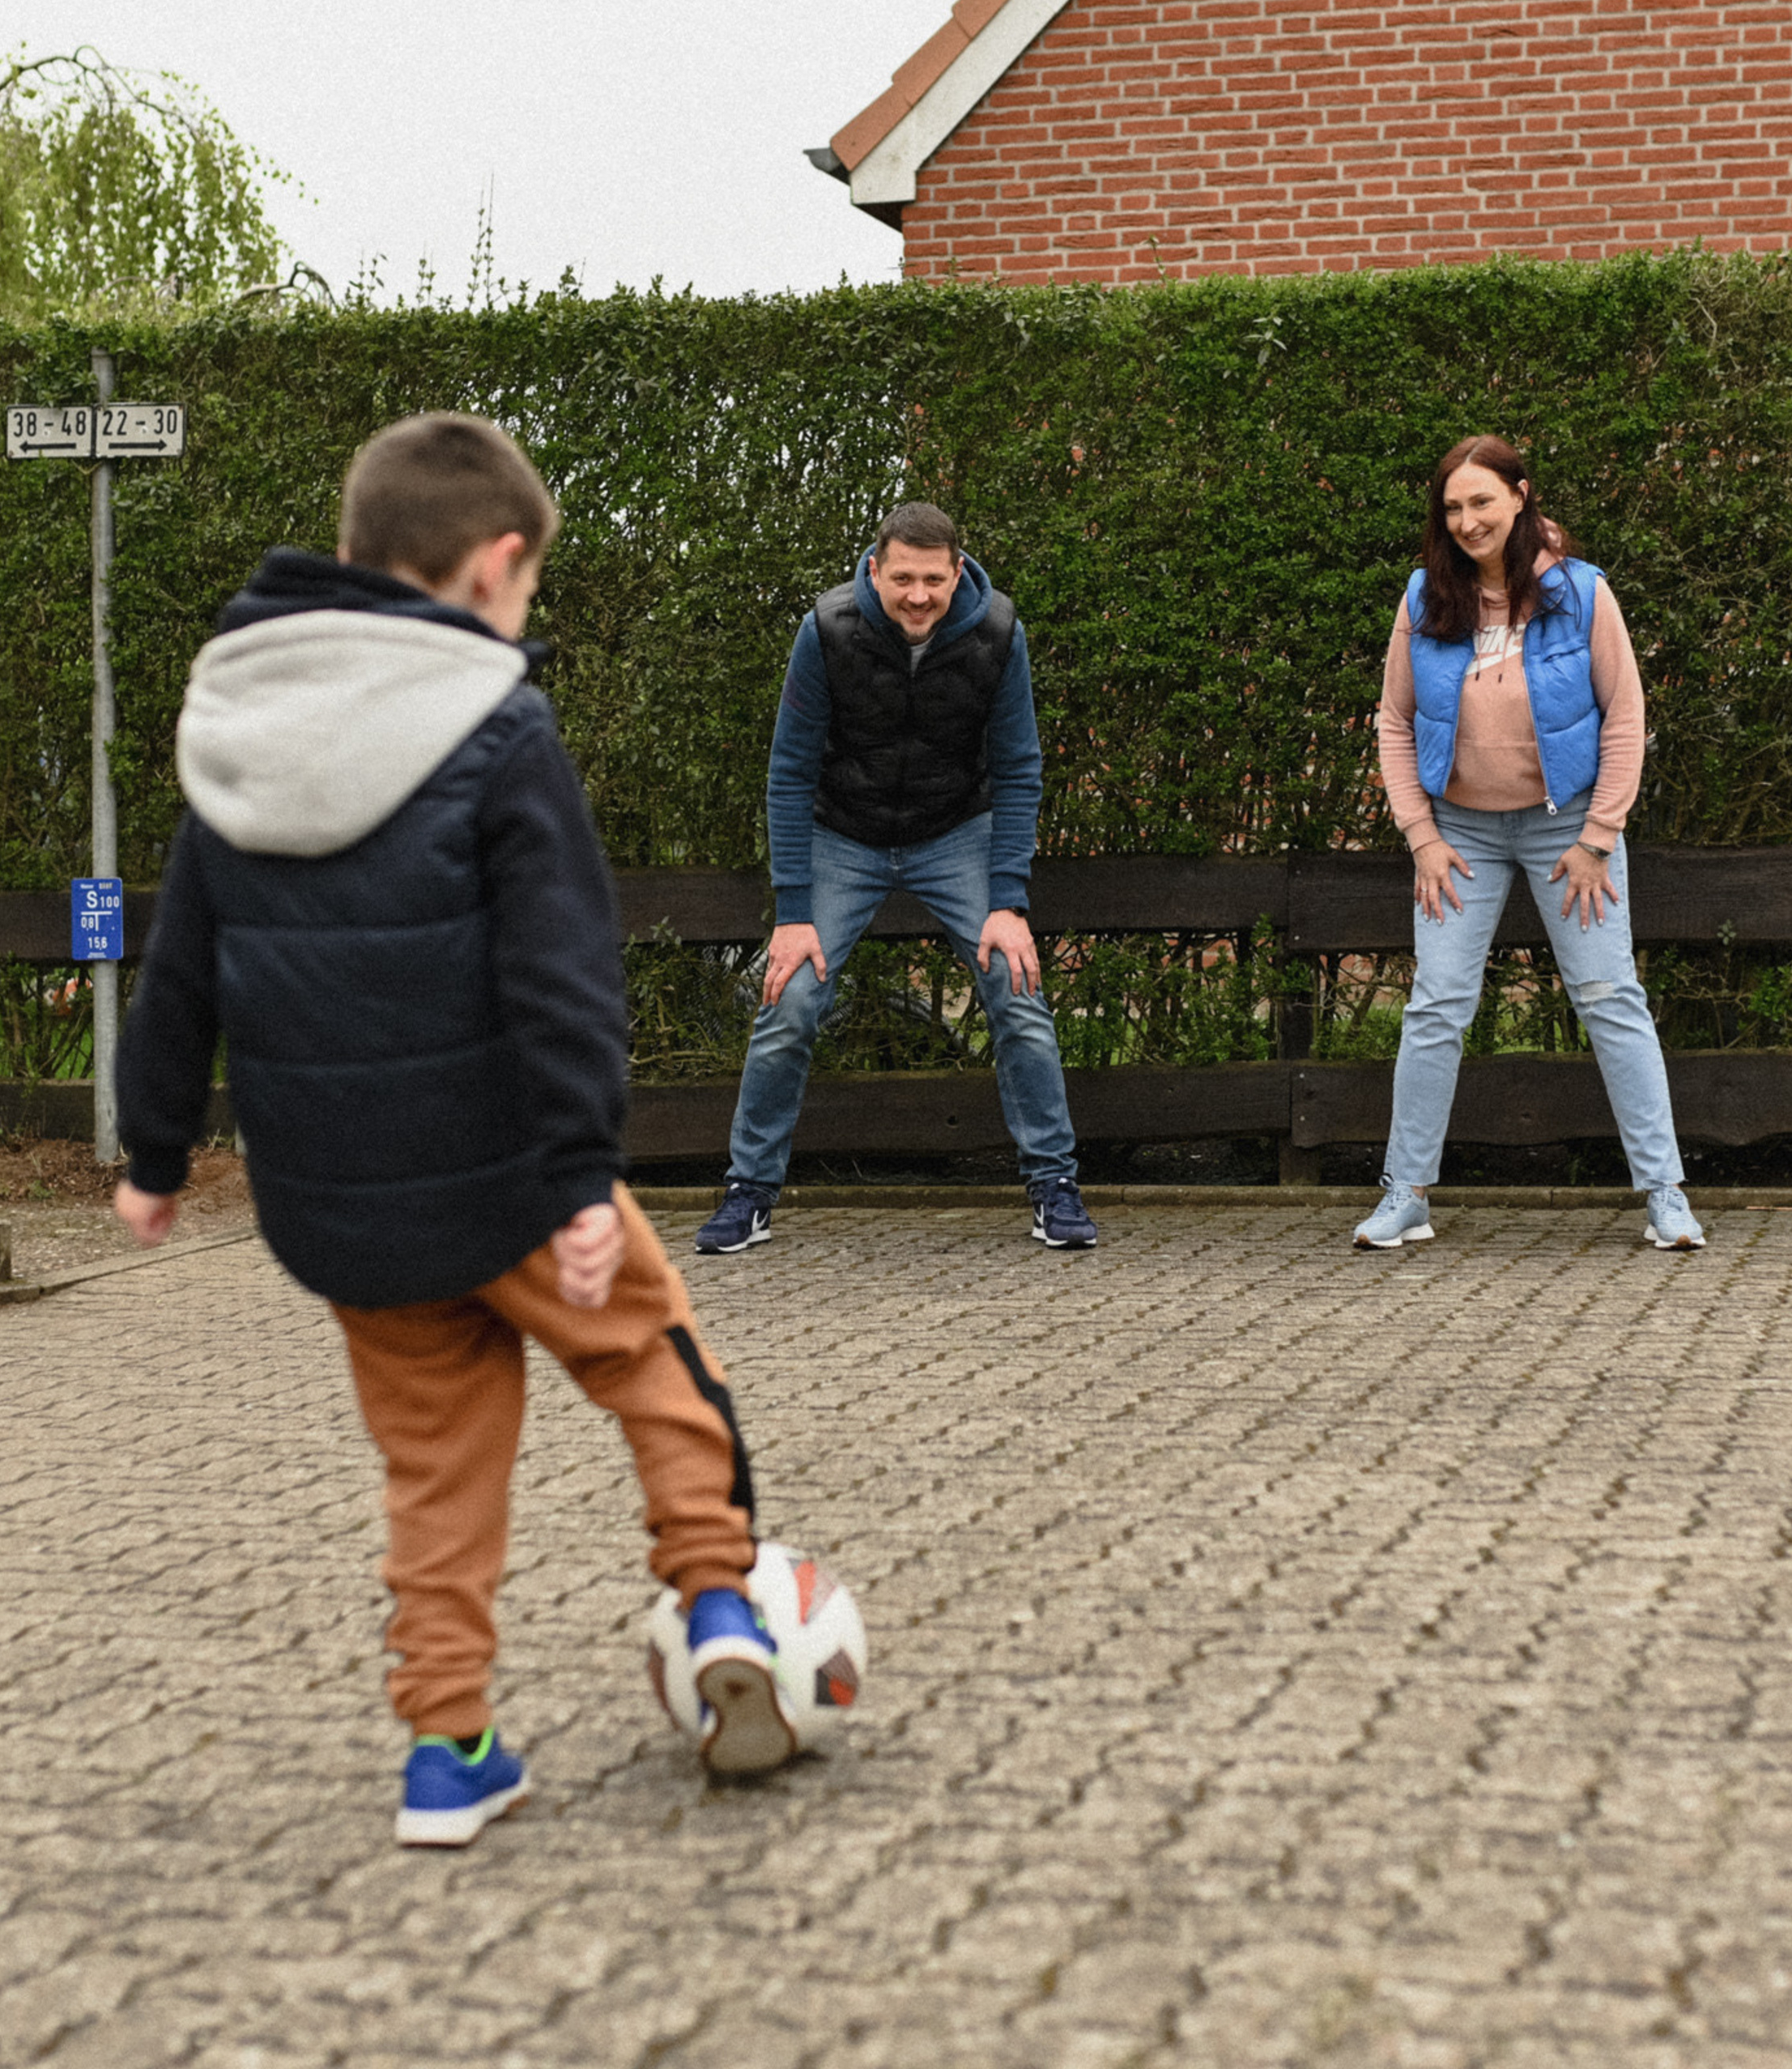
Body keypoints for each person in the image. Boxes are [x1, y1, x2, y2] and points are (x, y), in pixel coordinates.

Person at [113, 413, 797, 1849]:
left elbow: (183, 969)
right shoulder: (497, 728)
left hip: (349, 1211)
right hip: (519, 1185)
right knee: (664, 1380)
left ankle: (447, 1751)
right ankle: (722, 1605)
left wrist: (154, 1159)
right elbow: (560, 969)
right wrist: (581, 1184)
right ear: (496, 568)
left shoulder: (236, 728)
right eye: (531, 589)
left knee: (435, 1478)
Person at [694, 501, 1099, 1255]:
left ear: (958, 573)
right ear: (874, 570)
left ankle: (1055, 1184)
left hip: (956, 835)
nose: (918, 595)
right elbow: (789, 773)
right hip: (840, 836)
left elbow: (1018, 769)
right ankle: (748, 1190)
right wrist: (793, 910)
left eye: (934, 580)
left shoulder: (999, 634)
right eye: (903, 578)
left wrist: (1008, 900)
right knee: (790, 998)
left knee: (1018, 988)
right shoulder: (826, 630)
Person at [1354, 433, 1705, 1254]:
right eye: (1452, 506)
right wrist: (1422, 837)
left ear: (1519, 496)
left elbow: (1625, 718)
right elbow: (1393, 722)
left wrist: (1596, 836)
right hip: (1461, 832)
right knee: (1435, 1004)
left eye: (1482, 500)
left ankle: (1665, 1195)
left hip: (1569, 829)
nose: (1468, 519)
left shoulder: (1581, 594)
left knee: (1610, 997)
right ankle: (1404, 1196)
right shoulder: (1424, 599)